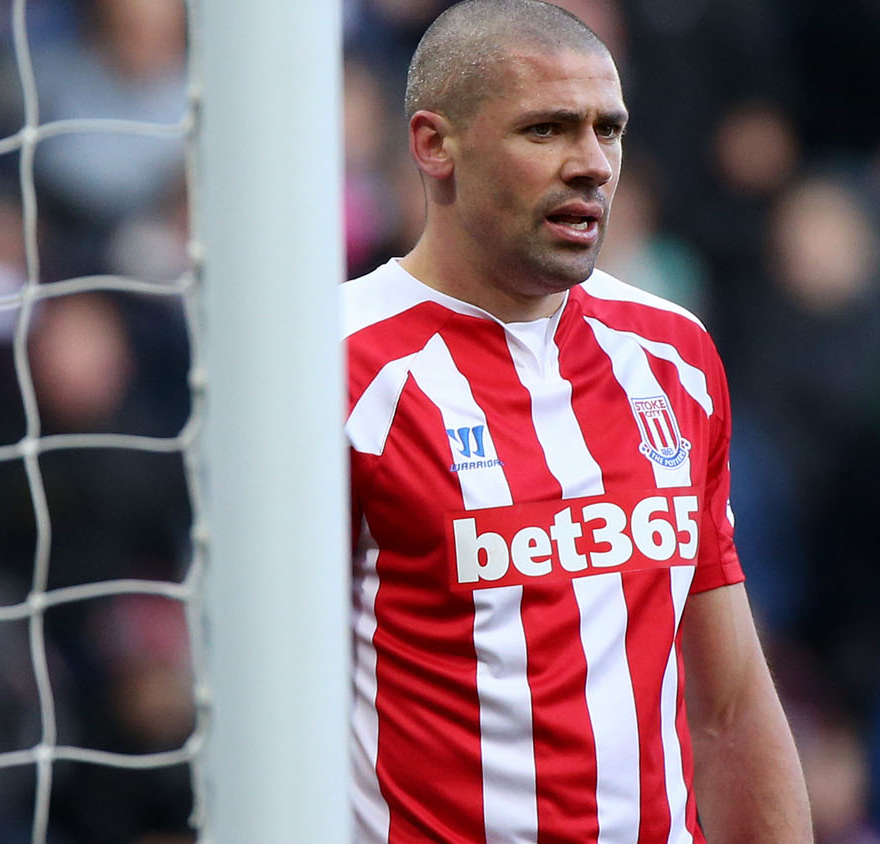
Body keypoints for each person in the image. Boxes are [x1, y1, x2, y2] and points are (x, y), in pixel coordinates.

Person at [342, 2, 812, 842]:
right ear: (432, 143)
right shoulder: (336, 370)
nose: (592, 164)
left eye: (609, 130)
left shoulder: (675, 358)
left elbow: (732, 704)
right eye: (548, 130)